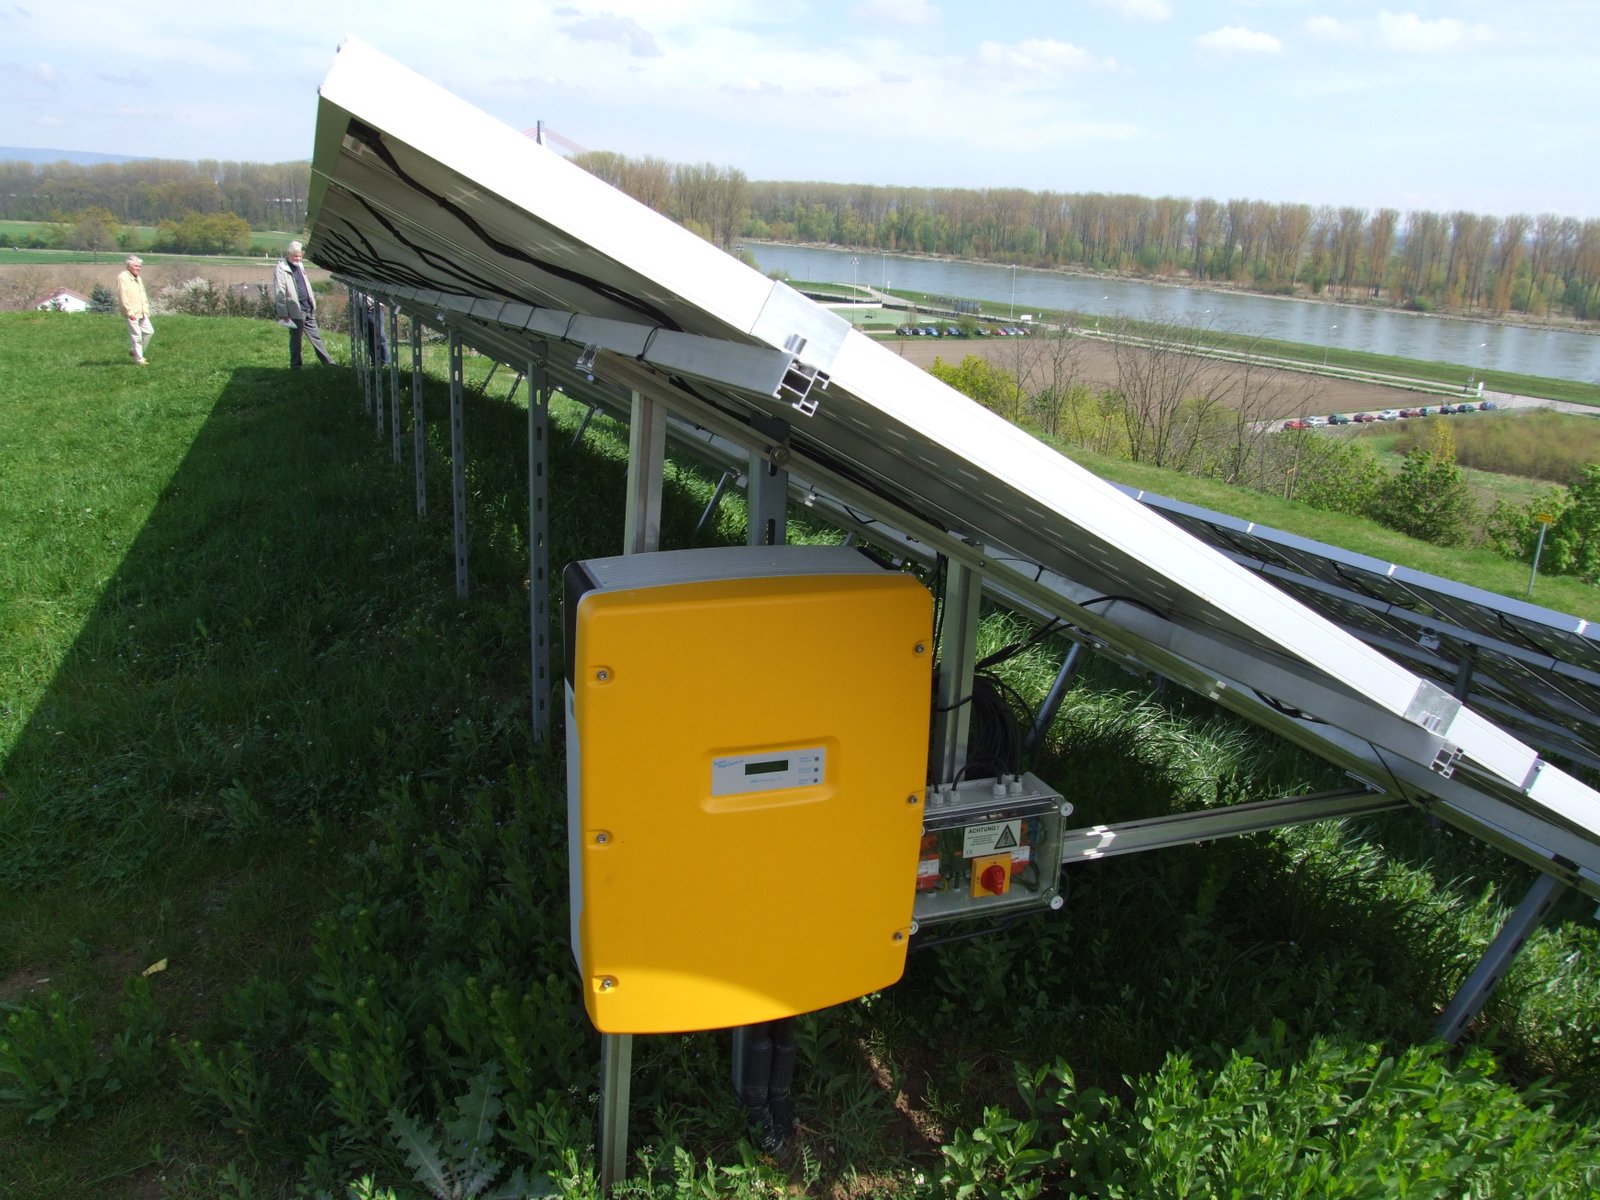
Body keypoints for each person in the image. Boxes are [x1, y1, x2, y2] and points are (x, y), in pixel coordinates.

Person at [272, 240, 335, 368]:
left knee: (316, 336)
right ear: (289, 255)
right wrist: (283, 313)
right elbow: (280, 291)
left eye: (300, 256)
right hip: (296, 310)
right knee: (296, 340)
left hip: (308, 307)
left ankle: (329, 363)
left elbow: (305, 285)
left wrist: (313, 303)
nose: (299, 258)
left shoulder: (300, 266)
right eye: (296, 256)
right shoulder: (282, 268)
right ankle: (296, 365)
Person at [117, 255, 153, 364]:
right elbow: (122, 295)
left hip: (142, 311)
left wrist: (146, 308)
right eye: (136, 266)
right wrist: (129, 312)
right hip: (131, 312)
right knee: (136, 335)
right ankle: (139, 359)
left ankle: (135, 351)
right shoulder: (123, 277)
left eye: (140, 266)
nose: (138, 268)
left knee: (149, 332)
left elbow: (143, 294)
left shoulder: (138, 278)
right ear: (129, 266)